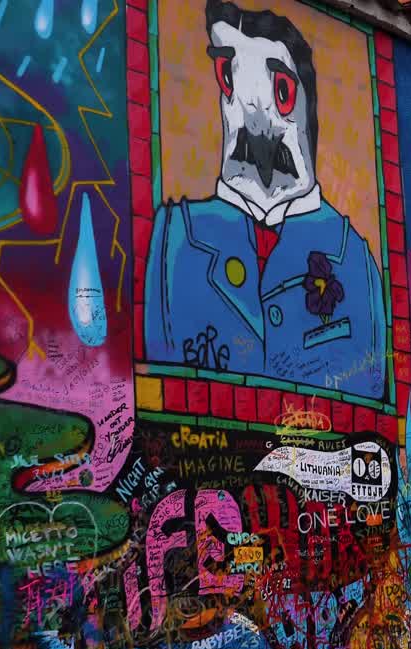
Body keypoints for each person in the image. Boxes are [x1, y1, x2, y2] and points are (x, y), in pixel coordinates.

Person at [144, 0, 385, 397]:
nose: (253, 115)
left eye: (281, 92)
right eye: (228, 77)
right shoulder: (175, 235)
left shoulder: (353, 258)